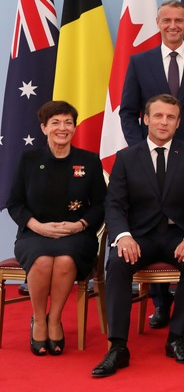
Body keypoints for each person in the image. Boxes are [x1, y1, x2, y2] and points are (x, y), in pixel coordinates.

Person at [93, 94, 184, 378]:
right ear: (145, 119)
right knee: (118, 264)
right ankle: (118, 346)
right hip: (139, 238)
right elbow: (114, 204)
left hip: (179, 235)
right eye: (158, 116)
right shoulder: (126, 157)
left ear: (178, 122)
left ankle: (176, 338)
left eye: (170, 117)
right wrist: (122, 236)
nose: (164, 122)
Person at [118, 0, 184, 329]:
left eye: (179, 20)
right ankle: (161, 304)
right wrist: (142, 151)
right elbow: (127, 111)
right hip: (150, 160)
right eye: (167, 20)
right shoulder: (140, 61)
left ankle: (183, 313)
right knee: (151, 222)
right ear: (157, 23)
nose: (173, 25)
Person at [8, 101, 106, 356]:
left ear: (74, 127)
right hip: (34, 233)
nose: (62, 128)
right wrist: (37, 226)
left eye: (68, 122)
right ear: (43, 128)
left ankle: (55, 320)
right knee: (41, 261)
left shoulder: (90, 161)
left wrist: (80, 224)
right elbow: (15, 203)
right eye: (55, 123)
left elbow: (102, 205)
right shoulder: (28, 159)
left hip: (77, 234)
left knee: (63, 261)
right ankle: (39, 319)